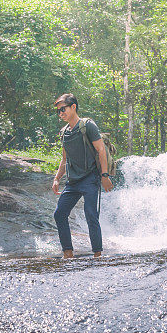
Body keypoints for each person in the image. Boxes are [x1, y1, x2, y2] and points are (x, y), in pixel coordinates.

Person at [52, 93, 114, 259]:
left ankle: (97, 254)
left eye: (63, 109)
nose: (60, 113)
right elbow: (65, 159)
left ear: (73, 107)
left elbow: (101, 150)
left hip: (90, 178)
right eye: (58, 111)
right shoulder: (64, 132)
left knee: (90, 214)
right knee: (59, 213)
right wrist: (57, 178)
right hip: (73, 181)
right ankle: (68, 253)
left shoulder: (88, 126)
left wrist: (104, 175)